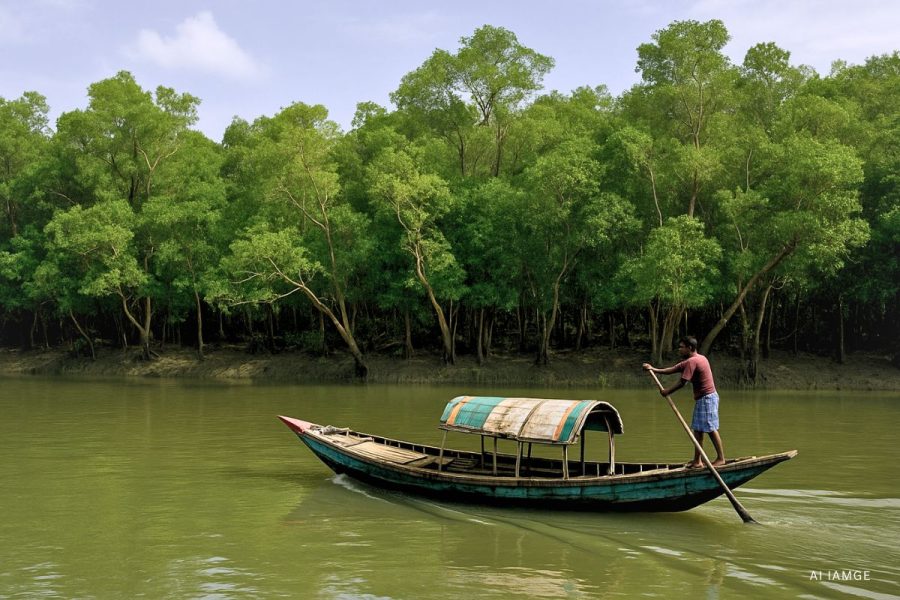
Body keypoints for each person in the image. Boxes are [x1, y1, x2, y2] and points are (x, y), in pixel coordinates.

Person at [642, 336, 725, 468]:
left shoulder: (693, 361)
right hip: (704, 399)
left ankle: (721, 459)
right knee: (698, 430)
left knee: (710, 429)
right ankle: (697, 461)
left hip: (707, 399)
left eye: (681, 347)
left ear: (690, 348)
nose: (679, 349)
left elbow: (682, 382)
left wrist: (667, 391)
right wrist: (654, 369)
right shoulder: (696, 359)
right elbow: (673, 369)